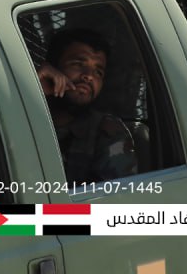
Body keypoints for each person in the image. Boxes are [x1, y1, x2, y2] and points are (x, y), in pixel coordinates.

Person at [37, 29, 137, 185]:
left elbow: (114, 198)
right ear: (53, 68)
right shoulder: (24, 116)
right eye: (78, 64)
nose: (89, 76)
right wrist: (34, 88)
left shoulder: (105, 130)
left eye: (98, 72)